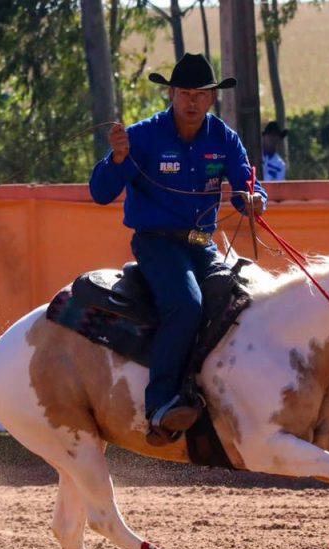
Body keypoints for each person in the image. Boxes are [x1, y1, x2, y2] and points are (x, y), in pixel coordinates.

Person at [89, 53, 267, 446]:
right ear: (171, 93)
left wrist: (254, 199)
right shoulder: (143, 136)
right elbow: (101, 192)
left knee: (236, 300)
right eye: (184, 93)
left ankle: (213, 393)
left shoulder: (224, 139)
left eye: (201, 94)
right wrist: (118, 158)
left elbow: (246, 184)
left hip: (203, 245)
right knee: (185, 305)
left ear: (211, 99)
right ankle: (159, 406)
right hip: (156, 244)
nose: (192, 101)